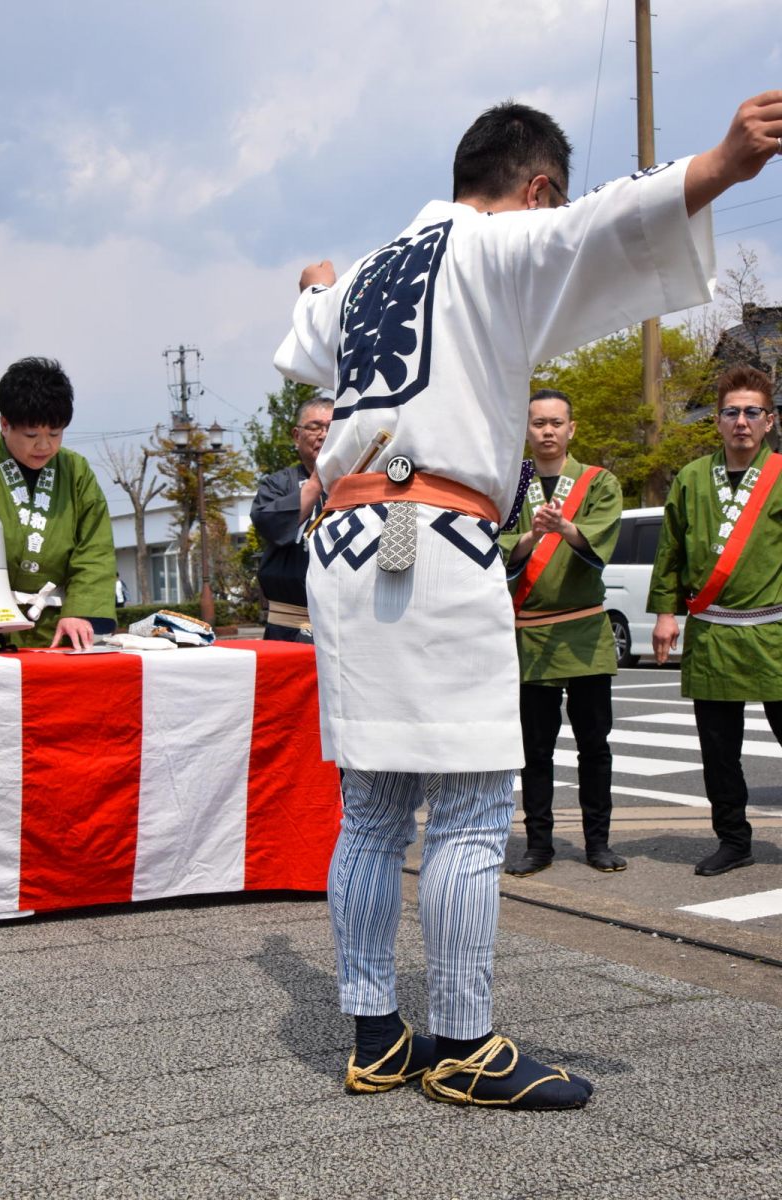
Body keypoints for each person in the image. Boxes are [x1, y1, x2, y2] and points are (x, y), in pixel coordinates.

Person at [274, 92, 782, 1110]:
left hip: (345, 535)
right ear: (533, 186)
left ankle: (375, 1033)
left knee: (371, 808)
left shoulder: (376, 269)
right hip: (426, 539)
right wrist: (721, 164)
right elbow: (604, 220)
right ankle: (463, 1043)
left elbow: (303, 333)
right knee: (465, 808)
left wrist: (319, 280)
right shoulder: (489, 244)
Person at [649, 365, 782, 876]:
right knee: (719, 750)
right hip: (712, 630)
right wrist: (666, 612)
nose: (741, 422)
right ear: (719, 421)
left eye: (752, 412)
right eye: (732, 412)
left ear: (769, 421)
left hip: (773, 630)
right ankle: (733, 840)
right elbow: (671, 552)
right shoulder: (690, 478)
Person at [500, 389, 625, 877]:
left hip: (584, 629)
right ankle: (539, 845)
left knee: (595, 743)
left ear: (572, 429)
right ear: (526, 430)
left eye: (556, 423)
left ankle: (599, 843)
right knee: (535, 748)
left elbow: (601, 536)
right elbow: (498, 546)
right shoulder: (511, 486)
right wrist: (532, 534)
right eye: (538, 424)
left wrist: (566, 528)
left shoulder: (599, 481)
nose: (547, 431)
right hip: (529, 633)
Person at [0, 357, 116, 649]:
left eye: (54, 434)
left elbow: (95, 548)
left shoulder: (76, 470)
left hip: (59, 628)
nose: (44, 446)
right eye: (32, 435)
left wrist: (80, 611)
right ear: (5, 424)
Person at [250, 397, 333, 641]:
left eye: (333, 427)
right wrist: (317, 481)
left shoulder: (360, 483)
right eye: (315, 427)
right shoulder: (278, 484)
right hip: (290, 625)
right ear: (297, 435)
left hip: (350, 623)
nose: (324, 435)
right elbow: (269, 525)